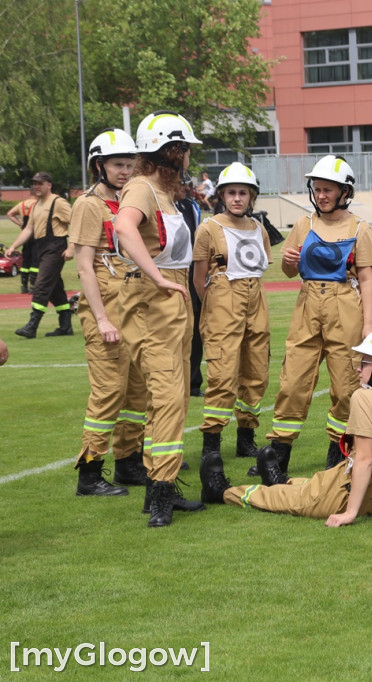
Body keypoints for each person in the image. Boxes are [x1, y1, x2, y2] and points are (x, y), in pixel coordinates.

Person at [199, 327, 372, 525]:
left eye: (366, 362)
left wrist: (349, 512)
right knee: (316, 480)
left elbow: (363, 460)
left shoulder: (365, 397)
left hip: (346, 494)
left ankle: (221, 491)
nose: (359, 368)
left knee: (280, 499)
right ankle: (281, 480)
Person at [114, 110, 206, 527]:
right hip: (155, 297)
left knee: (171, 396)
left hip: (171, 296)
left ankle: (156, 489)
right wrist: (158, 278)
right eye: (183, 149)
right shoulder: (141, 188)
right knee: (168, 395)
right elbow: (123, 228)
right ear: (168, 152)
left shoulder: (163, 192)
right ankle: (162, 495)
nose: (186, 157)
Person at [258, 154, 372, 477]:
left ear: (344, 192)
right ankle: (278, 456)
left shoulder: (360, 228)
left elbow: (366, 278)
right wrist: (288, 259)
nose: (321, 195)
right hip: (307, 303)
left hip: (345, 306)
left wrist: (368, 324)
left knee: (346, 384)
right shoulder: (303, 224)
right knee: (293, 380)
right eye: (317, 188)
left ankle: (337, 456)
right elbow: (287, 270)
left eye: (328, 189)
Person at [68, 128, 150, 496]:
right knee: (108, 391)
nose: (125, 171)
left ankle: (129, 462)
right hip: (106, 310)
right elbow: (84, 266)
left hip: (132, 308)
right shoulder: (88, 205)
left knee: (136, 392)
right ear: (99, 164)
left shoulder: (125, 202)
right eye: (118, 165)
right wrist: (101, 319)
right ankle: (90, 471)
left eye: (129, 165)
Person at [192, 162, 272, 468]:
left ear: (251, 196)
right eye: (231, 193)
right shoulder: (208, 229)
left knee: (255, 374)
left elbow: (262, 266)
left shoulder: (259, 228)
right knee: (222, 376)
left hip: (256, 302)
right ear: (221, 196)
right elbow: (199, 279)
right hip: (223, 300)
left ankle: (246, 438)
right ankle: (211, 443)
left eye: (243, 193)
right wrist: (215, 307)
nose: (237, 198)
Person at [9, 172, 74, 339]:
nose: (36, 186)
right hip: (41, 247)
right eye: (34, 183)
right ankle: (65, 326)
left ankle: (32, 326)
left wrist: (72, 247)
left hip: (55, 246)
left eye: (40, 183)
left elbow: (75, 223)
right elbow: (29, 229)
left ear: (49, 185)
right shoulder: (37, 205)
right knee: (54, 288)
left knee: (41, 284)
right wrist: (14, 246)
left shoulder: (58, 203)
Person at [175, 181, 205, 397]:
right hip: (170, 271)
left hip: (191, 268)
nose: (185, 187)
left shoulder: (189, 206)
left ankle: (193, 381)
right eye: (181, 183)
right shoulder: (158, 203)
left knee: (195, 327)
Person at [6, 197, 37, 293]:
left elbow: (9, 214)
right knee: (35, 260)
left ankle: (24, 286)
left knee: (25, 260)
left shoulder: (22, 204)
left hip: (25, 235)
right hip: (35, 234)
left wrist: (20, 224)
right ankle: (33, 285)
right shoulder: (38, 204)